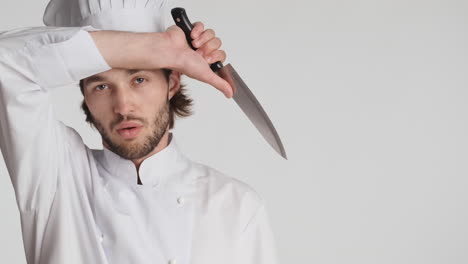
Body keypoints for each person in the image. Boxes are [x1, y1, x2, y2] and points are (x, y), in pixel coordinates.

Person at [0, 1, 279, 264]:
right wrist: (159, 46)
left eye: (140, 79)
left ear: (172, 83)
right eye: (101, 86)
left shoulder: (237, 206)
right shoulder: (57, 178)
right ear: (84, 94)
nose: (123, 106)